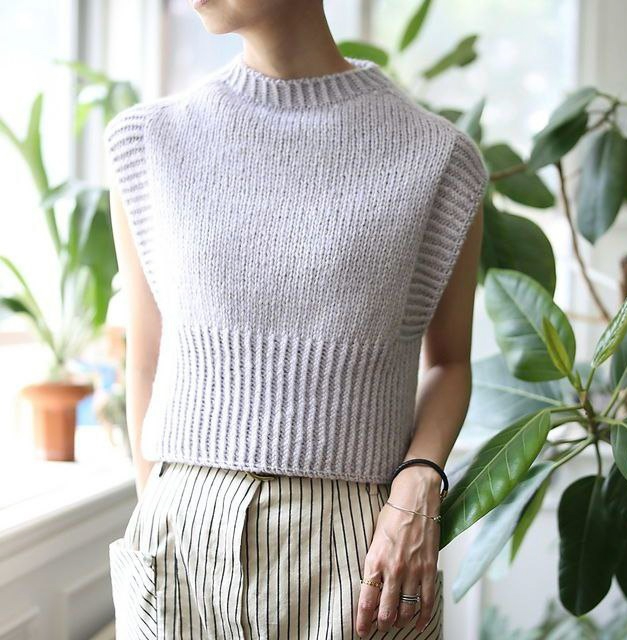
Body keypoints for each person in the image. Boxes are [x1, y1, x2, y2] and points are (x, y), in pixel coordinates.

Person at [104, 0, 488, 638]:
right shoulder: (147, 141)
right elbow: (145, 357)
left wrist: (419, 485)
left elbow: (449, 362)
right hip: (179, 536)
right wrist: (161, 511)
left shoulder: (439, 156)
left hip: (362, 547)